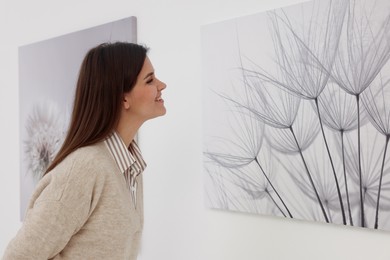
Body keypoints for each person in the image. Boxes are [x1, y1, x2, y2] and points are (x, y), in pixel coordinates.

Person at [3, 42, 167, 259]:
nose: (161, 85)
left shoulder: (130, 167)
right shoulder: (85, 167)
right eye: (150, 80)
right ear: (123, 97)